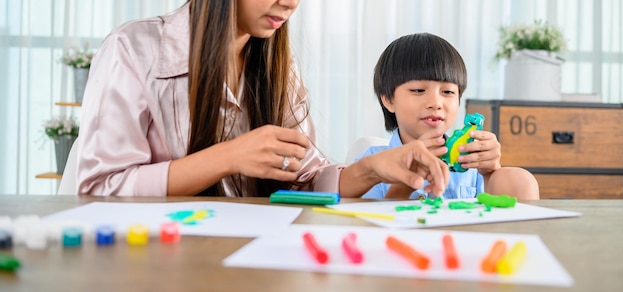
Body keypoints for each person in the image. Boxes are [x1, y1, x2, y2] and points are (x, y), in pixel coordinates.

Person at [76, 0, 449, 198]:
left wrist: (372, 168)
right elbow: (99, 188)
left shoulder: (279, 69)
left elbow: (305, 178)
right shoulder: (133, 49)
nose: (290, 3)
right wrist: (231, 156)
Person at [356, 33, 540, 200]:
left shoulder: (470, 162)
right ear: (388, 100)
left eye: (448, 92)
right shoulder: (371, 163)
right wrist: (409, 177)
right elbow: (367, 226)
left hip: (462, 237)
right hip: (399, 237)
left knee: (520, 179)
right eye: (418, 90)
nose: (436, 103)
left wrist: (491, 173)